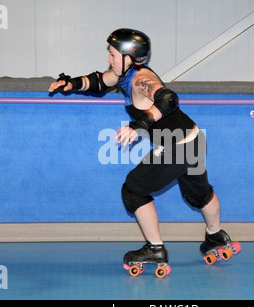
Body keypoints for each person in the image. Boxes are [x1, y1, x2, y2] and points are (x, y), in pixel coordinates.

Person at [49, 28, 234, 275]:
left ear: (128, 56)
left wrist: (141, 124)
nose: (109, 59)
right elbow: (99, 81)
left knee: (133, 190)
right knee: (199, 195)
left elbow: (168, 99)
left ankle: (155, 248)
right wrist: (69, 83)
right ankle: (216, 237)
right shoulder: (124, 74)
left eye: (113, 54)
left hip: (176, 145)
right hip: (193, 138)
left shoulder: (139, 79)